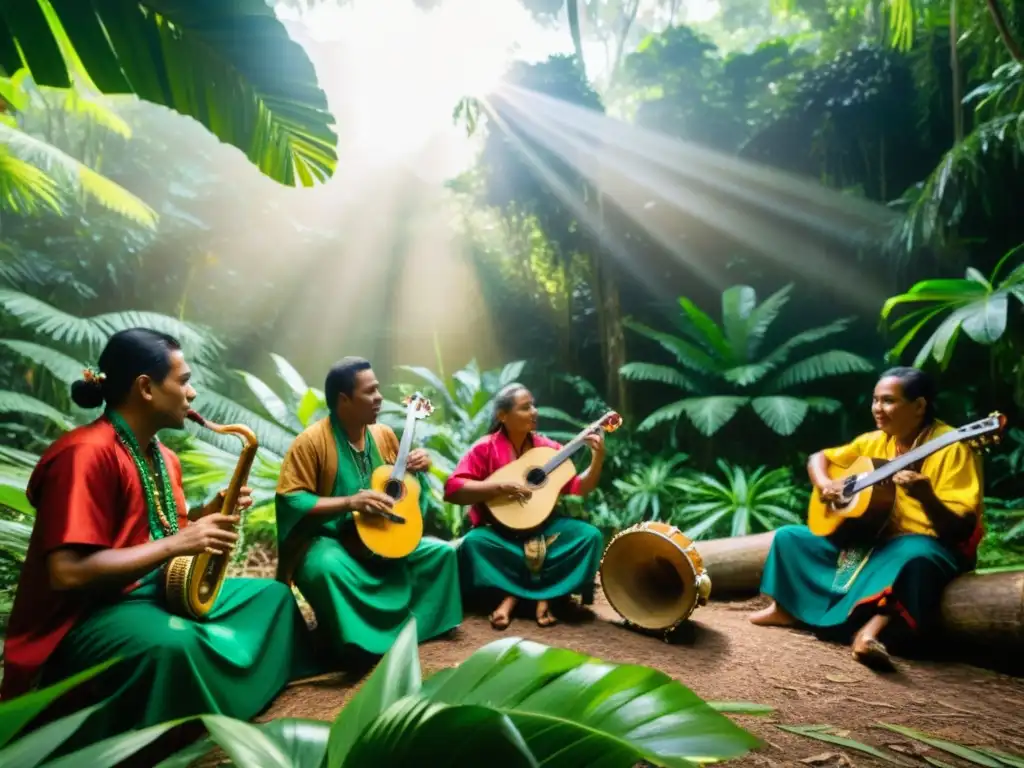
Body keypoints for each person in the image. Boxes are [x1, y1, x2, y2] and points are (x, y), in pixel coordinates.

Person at [0, 328, 316, 752]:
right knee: (176, 644)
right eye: (183, 381)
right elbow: (68, 572)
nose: (193, 393)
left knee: (273, 599)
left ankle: (223, 707)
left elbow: (166, 532)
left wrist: (208, 515)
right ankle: (171, 739)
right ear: (146, 388)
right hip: (88, 618)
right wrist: (180, 544)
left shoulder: (164, 458)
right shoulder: (84, 454)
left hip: (155, 595)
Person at [748, 367, 983, 671]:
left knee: (912, 555)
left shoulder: (952, 446)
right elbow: (819, 458)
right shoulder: (874, 441)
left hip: (929, 546)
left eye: (888, 401)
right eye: (875, 400)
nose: (877, 409)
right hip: (873, 539)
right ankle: (785, 608)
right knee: (790, 538)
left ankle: (870, 633)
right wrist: (825, 484)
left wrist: (927, 497)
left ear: (919, 406)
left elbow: (960, 528)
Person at [274, 356, 462, 661]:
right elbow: (291, 499)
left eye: (378, 390)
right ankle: (355, 646)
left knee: (441, 554)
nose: (379, 398)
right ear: (344, 399)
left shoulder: (383, 435)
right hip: (332, 543)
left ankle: (410, 630)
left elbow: (402, 494)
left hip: (382, 538)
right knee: (325, 570)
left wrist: (418, 471)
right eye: (370, 392)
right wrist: (349, 502)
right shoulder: (311, 442)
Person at [444, 384, 606, 630]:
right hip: (501, 535)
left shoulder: (547, 449)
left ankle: (513, 597)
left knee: (590, 537)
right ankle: (545, 596)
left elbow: (578, 487)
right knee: (474, 544)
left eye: (534, 405)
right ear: (502, 415)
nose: (534, 411)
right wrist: (497, 488)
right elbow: (453, 490)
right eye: (525, 407)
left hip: (545, 530)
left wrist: (598, 458)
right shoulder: (484, 448)